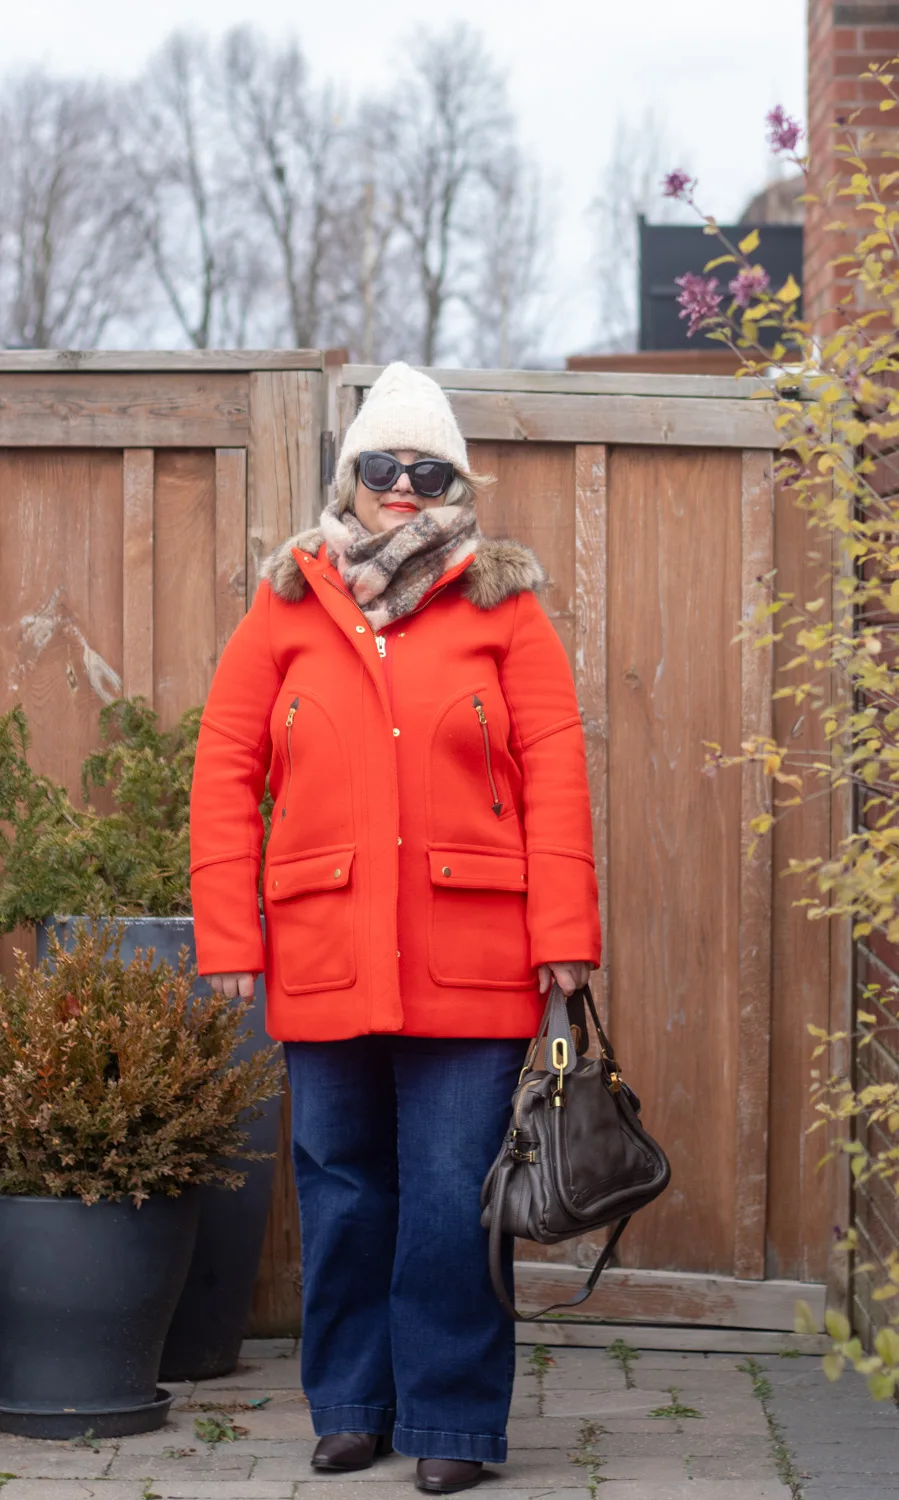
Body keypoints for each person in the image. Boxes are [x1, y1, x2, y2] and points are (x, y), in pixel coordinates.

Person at [189, 362, 601, 1495]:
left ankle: (453, 1424)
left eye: (429, 471)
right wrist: (230, 934)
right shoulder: (284, 608)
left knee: (450, 1193)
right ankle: (353, 1408)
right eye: (384, 469)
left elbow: (555, 772)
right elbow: (226, 770)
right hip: (323, 952)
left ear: (455, 483)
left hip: (472, 956)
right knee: (341, 1186)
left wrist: (563, 931)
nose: (405, 489)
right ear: (350, 480)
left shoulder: (502, 609)